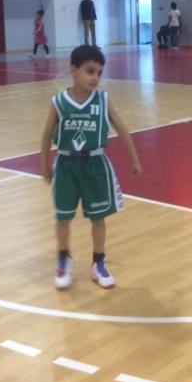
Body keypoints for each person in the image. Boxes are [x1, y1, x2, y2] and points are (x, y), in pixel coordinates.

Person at [40, 45, 142, 290]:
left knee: (98, 218)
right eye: (90, 71)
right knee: (63, 218)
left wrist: (134, 158)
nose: (95, 77)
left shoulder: (103, 100)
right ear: (73, 70)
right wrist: (44, 165)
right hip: (66, 166)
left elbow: (122, 128)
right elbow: (46, 135)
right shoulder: (59, 102)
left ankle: (98, 264)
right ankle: (63, 260)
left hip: (95, 165)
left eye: (99, 73)